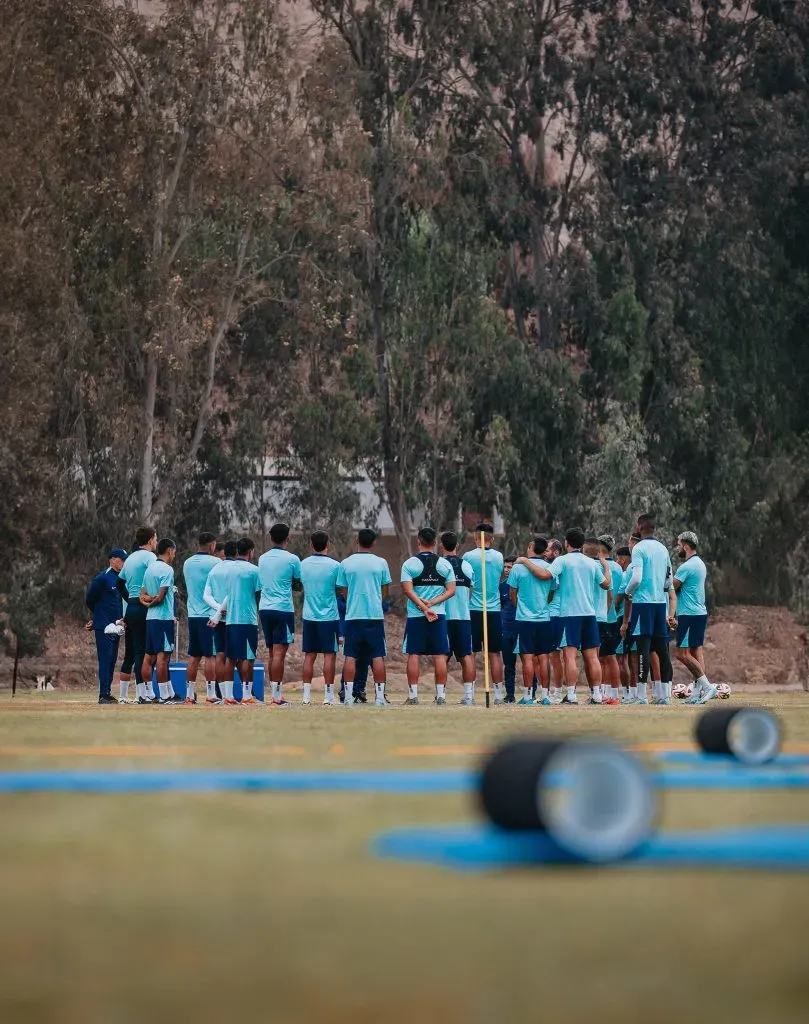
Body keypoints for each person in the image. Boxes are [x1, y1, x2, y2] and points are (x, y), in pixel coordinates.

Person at [549, 527, 611, 705]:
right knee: (592, 656)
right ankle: (597, 695)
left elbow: (547, 575)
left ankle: (571, 695)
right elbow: (606, 585)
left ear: (566, 543)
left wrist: (525, 562)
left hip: (570, 615)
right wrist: (605, 566)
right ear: (582, 544)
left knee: (569, 656)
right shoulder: (591, 563)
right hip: (589, 614)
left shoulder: (562, 560)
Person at [622, 514, 676, 705]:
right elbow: (669, 580)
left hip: (643, 604)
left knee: (643, 649)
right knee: (662, 650)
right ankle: (664, 695)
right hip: (660, 604)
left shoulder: (639, 548)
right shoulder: (663, 549)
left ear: (640, 527)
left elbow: (636, 578)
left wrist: (629, 592)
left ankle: (642, 696)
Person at [400, 527, 456, 705]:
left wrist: (424, 606)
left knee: (413, 654)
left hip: (417, 616)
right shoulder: (445, 564)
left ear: (418, 542)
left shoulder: (409, 564)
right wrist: (432, 604)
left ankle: (413, 696)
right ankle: (440, 696)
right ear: (435, 544)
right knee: (440, 655)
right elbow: (451, 591)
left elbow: (408, 590)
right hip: (438, 615)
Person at [337, 529, 392, 707]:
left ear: (356, 541)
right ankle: (379, 698)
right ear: (374, 543)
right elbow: (385, 590)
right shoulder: (381, 562)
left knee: (350, 655)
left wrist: (353, 600)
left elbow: (343, 591)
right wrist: (375, 600)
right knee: (377, 655)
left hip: (353, 616)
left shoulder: (345, 563)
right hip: (374, 616)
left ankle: (348, 697)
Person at [212, 537, 262, 705]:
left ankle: (228, 696)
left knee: (230, 658)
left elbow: (228, 593)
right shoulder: (255, 570)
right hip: (248, 619)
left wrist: (219, 613)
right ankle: (247, 696)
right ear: (250, 551)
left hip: (231, 619)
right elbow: (258, 593)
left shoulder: (228, 570)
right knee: (248, 658)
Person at [258, 523, 302, 707]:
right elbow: (298, 586)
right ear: (288, 538)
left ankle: (274, 695)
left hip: (265, 608)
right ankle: (277, 697)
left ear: (271, 538)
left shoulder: (262, 558)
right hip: (283, 609)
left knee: (271, 653)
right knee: (279, 654)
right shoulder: (293, 559)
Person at [509, 537, 555, 706]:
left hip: (524, 619)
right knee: (544, 657)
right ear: (544, 551)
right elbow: (551, 593)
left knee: (527, 658)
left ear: (530, 547)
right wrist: (543, 604)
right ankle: (545, 696)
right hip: (544, 618)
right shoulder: (550, 568)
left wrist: (519, 605)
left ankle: (528, 697)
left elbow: (512, 592)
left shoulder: (518, 568)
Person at [673, 531, 718, 705]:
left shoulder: (687, 567)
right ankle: (697, 693)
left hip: (689, 614)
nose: (678, 548)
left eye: (678, 545)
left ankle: (707, 687)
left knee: (681, 654)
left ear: (685, 545)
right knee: (695, 652)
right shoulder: (700, 563)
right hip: (699, 613)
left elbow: (671, 587)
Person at [465, 523, 505, 703]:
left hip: (474, 609)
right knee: (495, 653)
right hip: (493, 611)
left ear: (475, 538)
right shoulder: (499, 557)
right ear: (492, 538)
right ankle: (497, 695)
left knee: (472, 653)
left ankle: (470, 696)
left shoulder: (468, 557)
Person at [300, 531, 341, 706]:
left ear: (311, 544)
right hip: (329, 617)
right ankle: (328, 696)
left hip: (309, 616)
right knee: (329, 656)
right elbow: (339, 589)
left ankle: (306, 696)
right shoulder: (335, 566)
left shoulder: (303, 564)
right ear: (328, 545)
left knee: (309, 656)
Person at [117, 527, 157, 703]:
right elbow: (155, 578)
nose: (156, 541)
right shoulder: (150, 557)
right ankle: (142, 694)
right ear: (149, 540)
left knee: (131, 653)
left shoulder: (131, 557)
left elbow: (120, 583)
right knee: (144, 651)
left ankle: (130, 695)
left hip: (131, 608)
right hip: (144, 607)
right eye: (155, 538)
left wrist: (131, 599)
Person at [85, 548, 127, 704]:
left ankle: (107, 692)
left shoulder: (122, 578)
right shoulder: (102, 578)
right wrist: (97, 617)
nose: (124, 563)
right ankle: (103, 694)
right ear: (114, 560)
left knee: (112, 660)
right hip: (104, 626)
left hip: (117, 627)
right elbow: (90, 599)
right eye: (122, 560)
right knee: (105, 659)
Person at [182, 532, 220, 705]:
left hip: (193, 615)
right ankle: (211, 694)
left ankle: (189, 694)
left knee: (194, 656)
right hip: (209, 615)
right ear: (212, 545)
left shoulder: (187, 563)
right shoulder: (216, 562)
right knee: (210, 656)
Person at [140, 538, 179, 705]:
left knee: (149, 657)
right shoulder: (167, 570)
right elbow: (162, 598)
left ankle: (147, 694)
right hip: (163, 618)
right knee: (163, 658)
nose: (174, 556)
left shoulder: (149, 569)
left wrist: (147, 601)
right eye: (174, 553)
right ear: (170, 551)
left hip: (150, 618)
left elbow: (142, 595)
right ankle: (164, 696)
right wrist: (154, 599)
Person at [439, 531, 476, 706]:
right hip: (463, 617)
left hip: (443, 618)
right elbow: (470, 590)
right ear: (457, 546)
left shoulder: (438, 565)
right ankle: (469, 696)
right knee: (465, 656)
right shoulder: (467, 566)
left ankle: (441, 696)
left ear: (441, 546)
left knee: (441, 657)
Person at [203, 540, 237, 704]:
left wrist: (217, 610)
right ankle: (234, 695)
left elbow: (206, 596)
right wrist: (222, 610)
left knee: (220, 655)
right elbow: (232, 592)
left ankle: (223, 695)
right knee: (235, 657)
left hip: (217, 618)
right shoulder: (236, 569)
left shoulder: (214, 569)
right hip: (234, 617)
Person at [596, 534, 622, 705]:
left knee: (603, 657)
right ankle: (610, 693)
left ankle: (606, 694)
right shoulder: (619, 568)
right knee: (608, 656)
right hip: (614, 617)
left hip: (604, 617)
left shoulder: (600, 566)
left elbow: (609, 594)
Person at [544, 539, 565, 702]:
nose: (545, 552)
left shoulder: (556, 565)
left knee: (555, 655)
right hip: (556, 614)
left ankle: (557, 693)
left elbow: (552, 589)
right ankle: (552, 692)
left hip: (555, 614)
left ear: (556, 552)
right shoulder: (558, 563)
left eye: (548, 550)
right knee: (553, 655)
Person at [613, 545, 632, 696]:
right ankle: (633, 692)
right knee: (630, 657)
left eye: (618, 558)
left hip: (622, 618)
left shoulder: (626, 575)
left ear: (623, 559)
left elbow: (621, 598)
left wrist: (612, 607)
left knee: (621, 658)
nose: (617, 561)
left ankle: (627, 693)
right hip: (633, 618)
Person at [499, 555, 519, 703]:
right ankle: (510, 695)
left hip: (522, 628)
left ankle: (529, 694)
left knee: (528, 661)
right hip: (506, 630)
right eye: (505, 567)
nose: (506, 570)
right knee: (508, 665)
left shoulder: (523, 585)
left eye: (509, 567)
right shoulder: (501, 587)